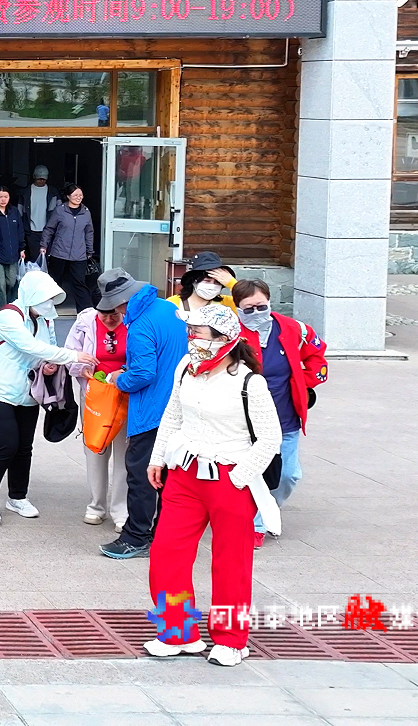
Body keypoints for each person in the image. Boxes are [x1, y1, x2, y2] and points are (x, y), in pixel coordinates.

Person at [143, 304, 281, 667]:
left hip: (230, 478)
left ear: (223, 339)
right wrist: (158, 458)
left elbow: (270, 438)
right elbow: (173, 414)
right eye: (190, 332)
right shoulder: (185, 368)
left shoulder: (250, 382)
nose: (191, 339)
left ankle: (231, 640)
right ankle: (177, 632)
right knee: (166, 554)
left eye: (198, 333)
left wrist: (238, 477)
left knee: (231, 563)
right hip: (185, 474)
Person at [0, 271, 94, 524]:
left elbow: (46, 350)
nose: (49, 304)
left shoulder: (45, 320)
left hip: (27, 392)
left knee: (24, 447)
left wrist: (48, 365)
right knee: (6, 444)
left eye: (51, 299)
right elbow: (29, 345)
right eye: (45, 298)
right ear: (31, 295)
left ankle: (17, 497)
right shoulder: (8, 316)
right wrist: (72, 356)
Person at [100, 274, 191, 560]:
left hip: (152, 411)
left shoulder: (140, 324)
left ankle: (135, 537)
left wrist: (118, 379)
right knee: (169, 476)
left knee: (141, 476)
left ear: (121, 302)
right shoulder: (168, 307)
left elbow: (143, 373)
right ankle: (164, 534)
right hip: (179, 406)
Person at [233, 279, 328, 545]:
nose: (256, 313)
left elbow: (317, 354)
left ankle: (268, 509)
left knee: (288, 474)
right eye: (248, 309)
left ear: (270, 302)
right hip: (245, 420)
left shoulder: (293, 328)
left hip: (285, 415)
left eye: (261, 306)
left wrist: (303, 381)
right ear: (237, 308)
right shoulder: (230, 332)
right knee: (252, 473)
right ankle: (256, 524)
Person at [66, 271, 144, 527]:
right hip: (95, 393)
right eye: (104, 315)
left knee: (124, 453)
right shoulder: (85, 321)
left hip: (125, 393)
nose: (110, 319)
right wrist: (81, 368)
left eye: (115, 314)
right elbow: (70, 354)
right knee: (95, 449)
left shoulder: (135, 322)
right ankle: (96, 504)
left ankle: (120, 510)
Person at [40, 183, 96, 311]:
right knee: (54, 281)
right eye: (75, 195)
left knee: (79, 283)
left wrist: (89, 250)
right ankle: (47, 309)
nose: (78, 197)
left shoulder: (86, 212)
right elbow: (49, 229)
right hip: (59, 252)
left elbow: (89, 232)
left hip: (79, 254)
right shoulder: (59, 211)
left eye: (80, 195)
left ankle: (84, 311)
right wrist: (44, 245)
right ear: (68, 196)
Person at [170, 251, 238, 312]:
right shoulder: (173, 303)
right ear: (193, 281)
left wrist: (232, 283)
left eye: (217, 282)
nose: (212, 286)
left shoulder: (228, 303)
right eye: (207, 281)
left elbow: (244, 300)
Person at [23, 165, 54, 262]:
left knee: (47, 258)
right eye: (39, 179)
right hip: (31, 230)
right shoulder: (25, 192)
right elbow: (20, 211)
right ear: (34, 177)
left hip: (48, 230)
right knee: (34, 258)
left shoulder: (52, 192)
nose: (41, 181)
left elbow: (57, 212)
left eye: (43, 179)